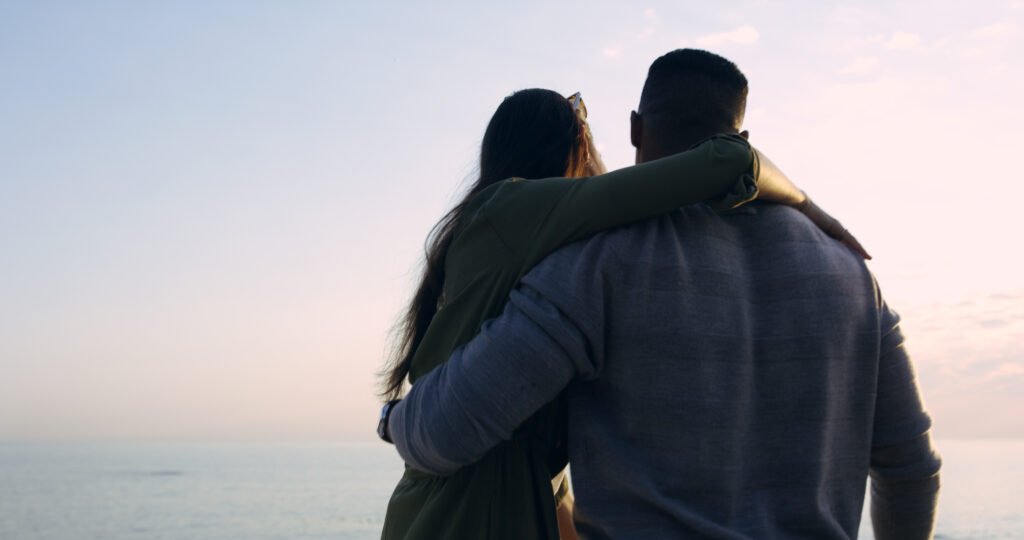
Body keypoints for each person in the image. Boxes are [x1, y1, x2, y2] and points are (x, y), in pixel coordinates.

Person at [385, 50, 941, 539]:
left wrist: (396, 419)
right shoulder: (849, 274)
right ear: (743, 138)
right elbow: (911, 468)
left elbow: (446, 432)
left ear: (634, 128)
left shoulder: (595, 264)